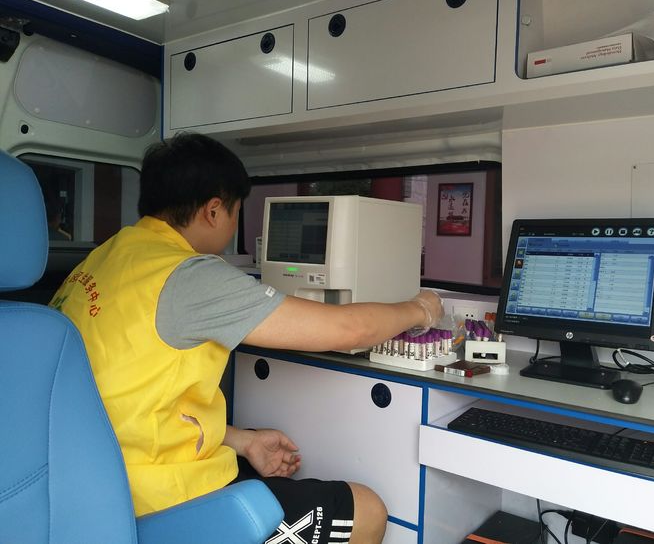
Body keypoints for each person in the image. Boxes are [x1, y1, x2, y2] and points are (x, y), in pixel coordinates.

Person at [49, 132, 444, 544]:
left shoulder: (106, 257)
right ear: (213, 211)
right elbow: (348, 331)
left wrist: (242, 441)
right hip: (157, 503)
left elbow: (132, 397)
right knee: (367, 511)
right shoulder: (188, 276)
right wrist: (421, 309)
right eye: (236, 212)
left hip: (96, 482)